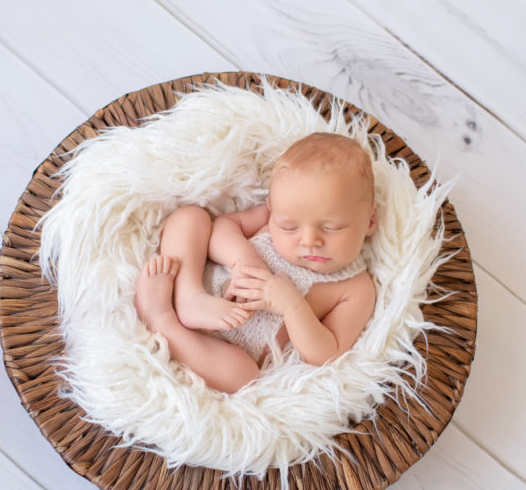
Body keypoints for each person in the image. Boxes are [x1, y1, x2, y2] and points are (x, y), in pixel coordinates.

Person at [134, 132, 378, 393]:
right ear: (273, 210)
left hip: (218, 350)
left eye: (332, 228)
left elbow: (328, 353)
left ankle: (162, 320)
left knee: (244, 376)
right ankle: (187, 296)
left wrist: (292, 306)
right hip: (198, 284)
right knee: (190, 218)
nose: (309, 240)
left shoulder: (356, 288)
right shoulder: (266, 219)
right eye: (289, 226)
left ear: (370, 221)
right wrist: (243, 259)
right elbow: (222, 228)